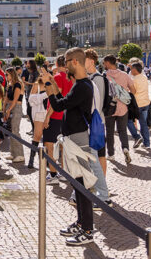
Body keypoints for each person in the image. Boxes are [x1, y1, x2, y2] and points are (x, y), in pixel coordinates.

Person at [41, 47, 96, 246]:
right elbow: (63, 100)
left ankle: (88, 230)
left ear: (74, 62)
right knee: (76, 183)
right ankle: (81, 222)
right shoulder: (80, 84)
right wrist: (52, 82)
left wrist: (47, 83)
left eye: (66, 62)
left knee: (82, 185)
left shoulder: (82, 86)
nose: (64, 67)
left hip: (79, 139)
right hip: (73, 138)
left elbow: (57, 105)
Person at [83, 49, 112, 206]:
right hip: (92, 123)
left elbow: (97, 106)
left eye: (84, 60)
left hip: (96, 124)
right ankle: (98, 188)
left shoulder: (98, 79)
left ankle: (103, 191)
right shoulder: (89, 78)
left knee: (98, 156)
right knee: (93, 156)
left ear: (91, 61)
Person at [103, 55, 135, 164]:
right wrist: (124, 92)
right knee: (122, 131)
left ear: (107, 63)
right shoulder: (124, 75)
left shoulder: (105, 75)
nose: (103, 65)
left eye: (104, 63)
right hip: (123, 108)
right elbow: (134, 90)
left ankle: (111, 154)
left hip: (110, 108)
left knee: (110, 132)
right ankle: (125, 148)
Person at [128, 62, 151, 150]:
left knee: (128, 120)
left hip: (137, 104)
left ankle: (136, 136)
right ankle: (147, 143)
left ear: (134, 70)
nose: (130, 70)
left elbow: (133, 91)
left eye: (131, 69)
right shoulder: (144, 77)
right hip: (145, 103)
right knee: (143, 124)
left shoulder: (134, 80)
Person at [3, 67, 25, 164]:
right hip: (10, 107)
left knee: (15, 130)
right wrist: (4, 109)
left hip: (16, 108)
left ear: (12, 74)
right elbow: (6, 98)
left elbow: (16, 99)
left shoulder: (17, 84)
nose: (5, 76)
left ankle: (20, 154)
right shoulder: (10, 84)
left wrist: (8, 109)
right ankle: (13, 153)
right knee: (11, 130)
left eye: (7, 74)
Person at [27, 77, 48, 169]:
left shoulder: (51, 84)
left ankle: (47, 161)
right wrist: (45, 95)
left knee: (48, 138)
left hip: (50, 113)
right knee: (37, 135)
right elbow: (30, 99)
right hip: (39, 113)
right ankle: (31, 160)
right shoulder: (37, 85)